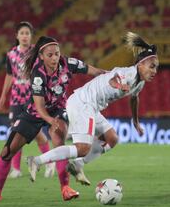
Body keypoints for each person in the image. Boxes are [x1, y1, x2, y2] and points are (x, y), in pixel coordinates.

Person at [0, 35, 105, 201]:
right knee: (7, 151)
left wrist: (111, 76)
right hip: (35, 112)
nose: (54, 58)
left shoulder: (68, 63)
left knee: (58, 140)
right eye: (50, 55)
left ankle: (66, 188)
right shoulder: (38, 75)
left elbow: (93, 71)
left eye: (56, 53)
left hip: (59, 109)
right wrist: (51, 121)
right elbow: (40, 107)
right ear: (41, 56)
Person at [27, 32, 158, 186]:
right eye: (152, 66)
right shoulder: (127, 74)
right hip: (83, 103)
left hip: (92, 106)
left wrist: (135, 122)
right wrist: (119, 85)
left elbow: (135, 98)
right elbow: (113, 80)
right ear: (140, 65)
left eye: (156, 67)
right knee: (82, 148)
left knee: (112, 138)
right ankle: (36, 161)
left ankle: (77, 165)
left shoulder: (139, 82)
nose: (154, 71)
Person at [0, 21, 55, 179]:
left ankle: (50, 162)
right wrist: (3, 95)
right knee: (16, 133)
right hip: (16, 99)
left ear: (31, 36)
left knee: (37, 133)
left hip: (32, 97)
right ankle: (16, 169)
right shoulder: (11, 55)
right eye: (21, 33)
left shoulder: (37, 52)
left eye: (27, 33)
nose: (24, 36)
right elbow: (10, 75)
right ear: (16, 36)